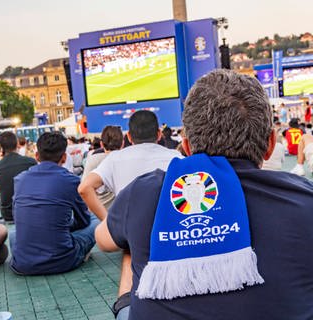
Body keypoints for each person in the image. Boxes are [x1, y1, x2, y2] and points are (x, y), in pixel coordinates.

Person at [96, 70, 313, 320]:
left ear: (186, 148)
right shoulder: (304, 198)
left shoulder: (144, 192)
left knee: (129, 252)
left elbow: (103, 240)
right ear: (270, 144)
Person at [78, 110, 182, 318]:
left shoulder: (116, 158)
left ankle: (126, 308)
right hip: (170, 232)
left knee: (130, 252)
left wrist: (108, 221)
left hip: (129, 234)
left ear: (130, 137)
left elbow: (84, 188)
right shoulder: (176, 157)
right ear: (159, 135)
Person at [10, 132, 98, 275]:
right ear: (64, 158)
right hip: (62, 261)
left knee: (14, 234)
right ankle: (80, 253)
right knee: (95, 221)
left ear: (37, 156)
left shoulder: (19, 179)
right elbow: (83, 220)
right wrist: (68, 226)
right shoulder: (71, 180)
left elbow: (18, 219)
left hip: (23, 264)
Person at [0, 132, 36, 222]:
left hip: (8, 214)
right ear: (17, 144)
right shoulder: (30, 162)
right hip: (29, 209)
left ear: (1, 147)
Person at [82, 125, 124, 209]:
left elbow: (83, 188)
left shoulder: (92, 159)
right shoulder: (125, 159)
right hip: (120, 211)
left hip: (96, 211)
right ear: (122, 143)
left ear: (101, 144)